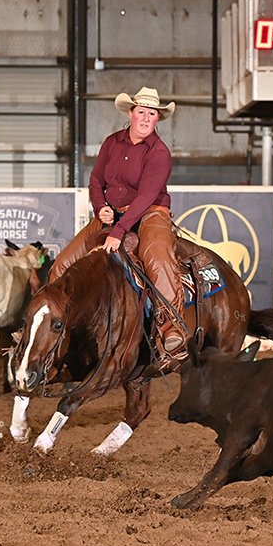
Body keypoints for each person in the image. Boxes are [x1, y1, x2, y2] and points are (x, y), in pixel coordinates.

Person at [48, 86, 185, 357]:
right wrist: (101, 208)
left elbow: (146, 196)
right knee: (63, 263)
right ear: (131, 113)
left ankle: (172, 328)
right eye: (142, 112)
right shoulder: (112, 142)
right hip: (112, 211)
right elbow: (96, 180)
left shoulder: (159, 152)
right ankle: (52, 327)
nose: (146, 118)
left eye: (152, 114)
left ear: (158, 119)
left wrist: (119, 230)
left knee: (157, 258)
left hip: (150, 212)